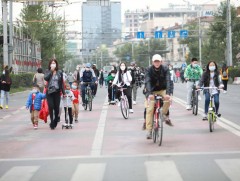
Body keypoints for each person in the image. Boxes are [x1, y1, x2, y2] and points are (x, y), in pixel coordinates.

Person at [144, 54, 173, 139]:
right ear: (152, 62)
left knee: (168, 100)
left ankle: (163, 114)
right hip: (151, 90)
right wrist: (149, 94)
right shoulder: (148, 69)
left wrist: (168, 93)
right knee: (149, 109)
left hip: (162, 89)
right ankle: (149, 130)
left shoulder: (165, 69)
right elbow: (147, 82)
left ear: (161, 62)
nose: (157, 63)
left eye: (158, 61)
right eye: (155, 61)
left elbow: (168, 81)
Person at [44, 59, 65, 130]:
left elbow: (61, 83)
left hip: (57, 92)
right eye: (52, 63)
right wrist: (51, 71)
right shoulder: (47, 71)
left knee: (56, 108)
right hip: (49, 92)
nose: (53, 64)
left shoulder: (59, 72)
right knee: (51, 106)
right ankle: (52, 121)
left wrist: (64, 93)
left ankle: (56, 120)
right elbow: (46, 78)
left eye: (54, 63)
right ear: (50, 65)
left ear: (56, 64)